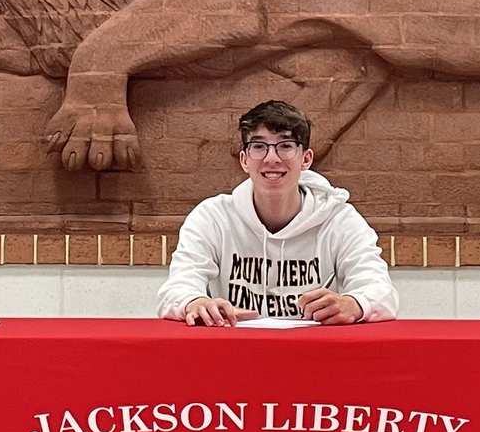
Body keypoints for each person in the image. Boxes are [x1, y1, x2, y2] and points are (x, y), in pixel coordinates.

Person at [156, 100, 399, 326]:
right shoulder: (212, 217)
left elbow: (381, 291)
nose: (272, 158)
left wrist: (354, 304)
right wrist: (194, 302)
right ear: (244, 159)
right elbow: (176, 288)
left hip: (315, 355)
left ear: (306, 159)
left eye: (285, 146)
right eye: (259, 146)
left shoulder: (340, 219)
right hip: (234, 353)